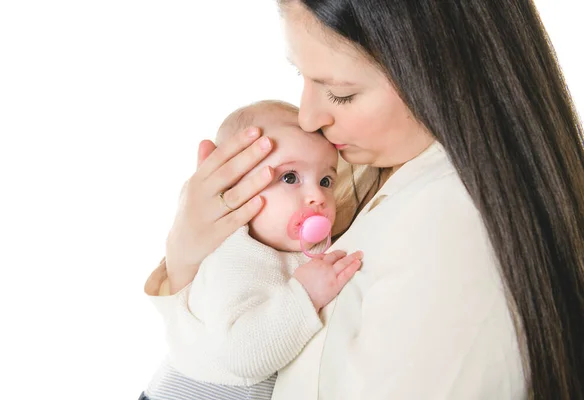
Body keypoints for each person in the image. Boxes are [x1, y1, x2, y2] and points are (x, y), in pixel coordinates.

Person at [144, 1, 584, 399]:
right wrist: (187, 257)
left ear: (442, 71)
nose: (309, 117)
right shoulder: (361, 170)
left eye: (341, 92)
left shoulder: (451, 235)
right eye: (302, 76)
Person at [141, 100, 362, 400]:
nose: (317, 197)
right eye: (290, 178)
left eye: (325, 181)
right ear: (234, 186)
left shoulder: (287, 249)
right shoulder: (234, 258)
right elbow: (243, 354)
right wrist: (305, 295)